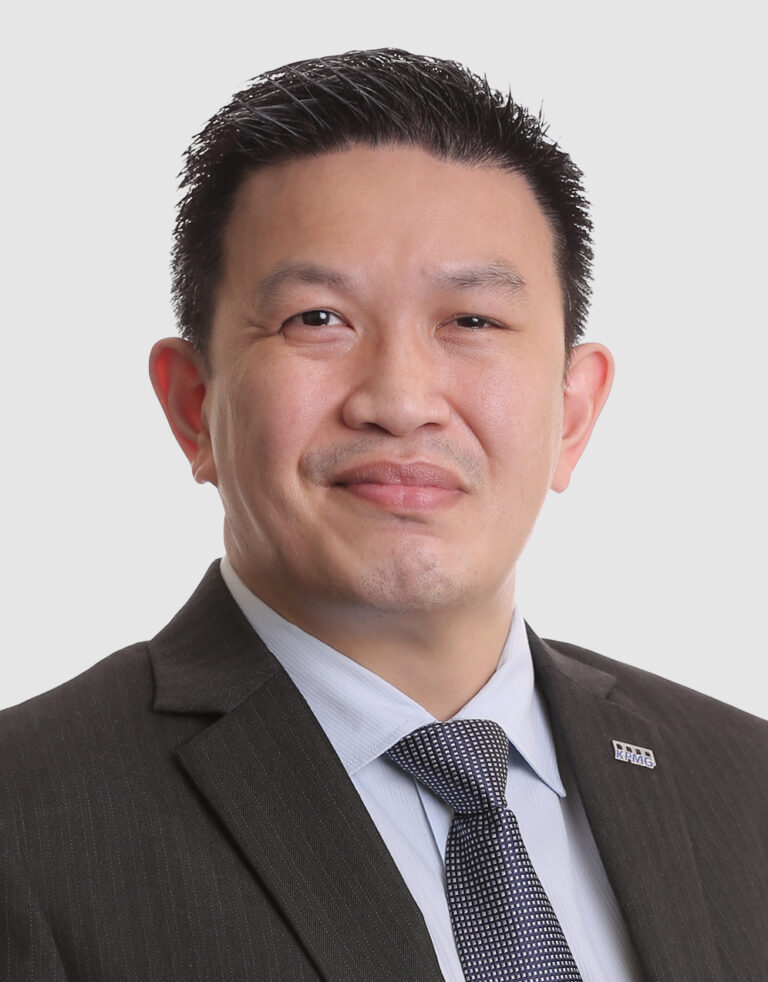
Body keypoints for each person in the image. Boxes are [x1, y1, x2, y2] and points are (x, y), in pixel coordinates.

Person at [1, 48, 765, 982]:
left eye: (472, 322)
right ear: (194, 406)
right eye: (318, 319)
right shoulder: (27, 821)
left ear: (572, 414)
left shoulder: (745, 785)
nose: (400, 402)